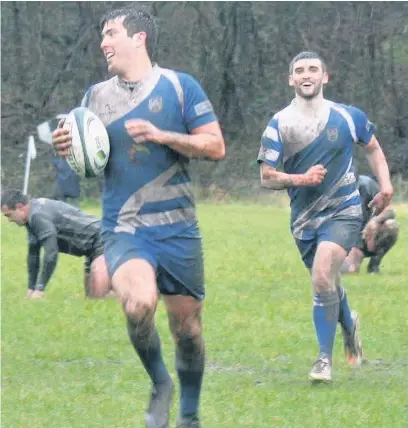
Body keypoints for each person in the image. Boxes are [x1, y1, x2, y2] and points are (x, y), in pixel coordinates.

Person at [52, 6, 225, 428]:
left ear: (139, 38)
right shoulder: (94, 98)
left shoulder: (181, 87)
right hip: (124, 230)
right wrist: (66, 147)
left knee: (188, 330)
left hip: (179, 231)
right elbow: (86, 154)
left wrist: (162, 134)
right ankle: (159, 383)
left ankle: (188, 415)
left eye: (111, 33)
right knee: (139, 303)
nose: (103, 42)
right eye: (102, 35)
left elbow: (216, 146)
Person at [257, 51, 393, 383]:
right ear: (291, 79)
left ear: (324, 77)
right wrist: (299, 179)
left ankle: (323, 360)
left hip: (345, 212)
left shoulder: (348, 117)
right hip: (304, 220)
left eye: (313, 69)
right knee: (328, 281)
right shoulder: (280, 124)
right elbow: (266, 176)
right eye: (299, 70)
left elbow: (372, 147)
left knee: (321, 276)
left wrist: (386, 185)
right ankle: (349, 325)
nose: (307, 75)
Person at [1, 189, 110, 299]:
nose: (9, 220)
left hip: (103, 239)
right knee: (92, 298)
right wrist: (31, 288)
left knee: (103, 296)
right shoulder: (31, 216)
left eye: (9, 215)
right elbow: (33, 255)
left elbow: (51, 253)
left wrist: (39, 289)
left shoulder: (37, 215)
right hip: (91, 248)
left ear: (20, 207)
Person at [342, 175, 399, 274]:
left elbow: (390, 211)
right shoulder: (332, 188)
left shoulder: (367, 184)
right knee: (350, 271)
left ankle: (374, 266)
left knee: (391, 225)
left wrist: (374, 221)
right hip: (343, 240)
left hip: (366, 235)